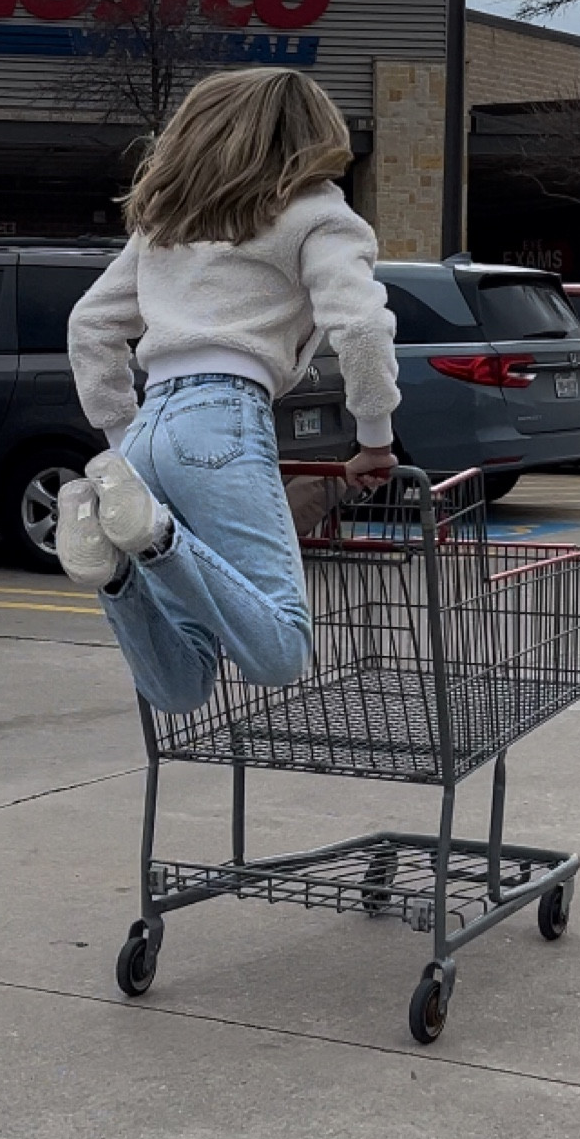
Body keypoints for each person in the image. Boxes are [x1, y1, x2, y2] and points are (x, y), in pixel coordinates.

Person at [60, 68, 401, 714]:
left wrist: (122, 444)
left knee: (182, 688)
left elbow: (91, 325)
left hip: (150, 430)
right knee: (282, 652)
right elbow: (358, 327)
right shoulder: (319, 214)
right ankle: (154, 537)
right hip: (224, 418)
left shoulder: (170, 218)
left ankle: (122, 569)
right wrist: (375, 439)